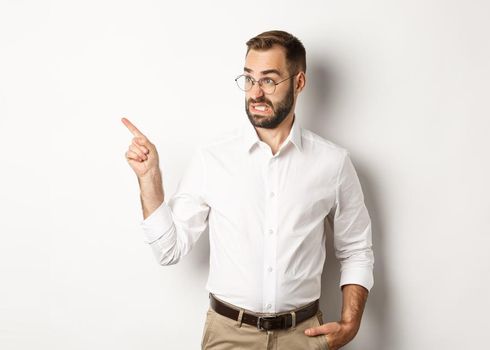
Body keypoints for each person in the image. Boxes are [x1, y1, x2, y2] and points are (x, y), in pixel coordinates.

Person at [121, 30, 373, 350]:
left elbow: (356, 249)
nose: (255, 92)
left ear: (298, 82)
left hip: (304, 337)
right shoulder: (212, 159)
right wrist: (149, 179)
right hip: (229, 335)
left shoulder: (333, 163)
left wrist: (351, 324)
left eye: (269, 80)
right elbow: (168, 250)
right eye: (249, 79)